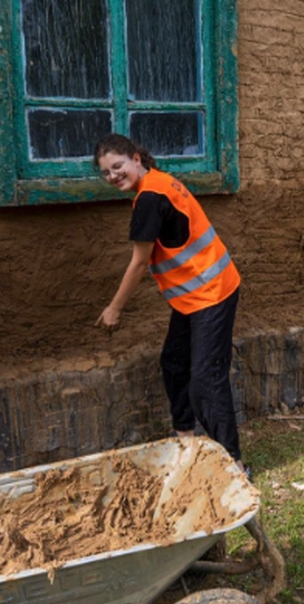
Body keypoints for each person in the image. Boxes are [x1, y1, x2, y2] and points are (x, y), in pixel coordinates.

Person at [93, 134, 245, 470]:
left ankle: (233, 465)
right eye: (105, 172)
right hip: (192, 297)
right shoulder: (157, 183)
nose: (113, 176)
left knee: (206, 381)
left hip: (212, 293)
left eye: (117, 166)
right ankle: (186, 442)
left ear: (136, 158)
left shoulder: (149, 198)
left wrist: (114, 308)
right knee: (175, 364)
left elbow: (138, 264)